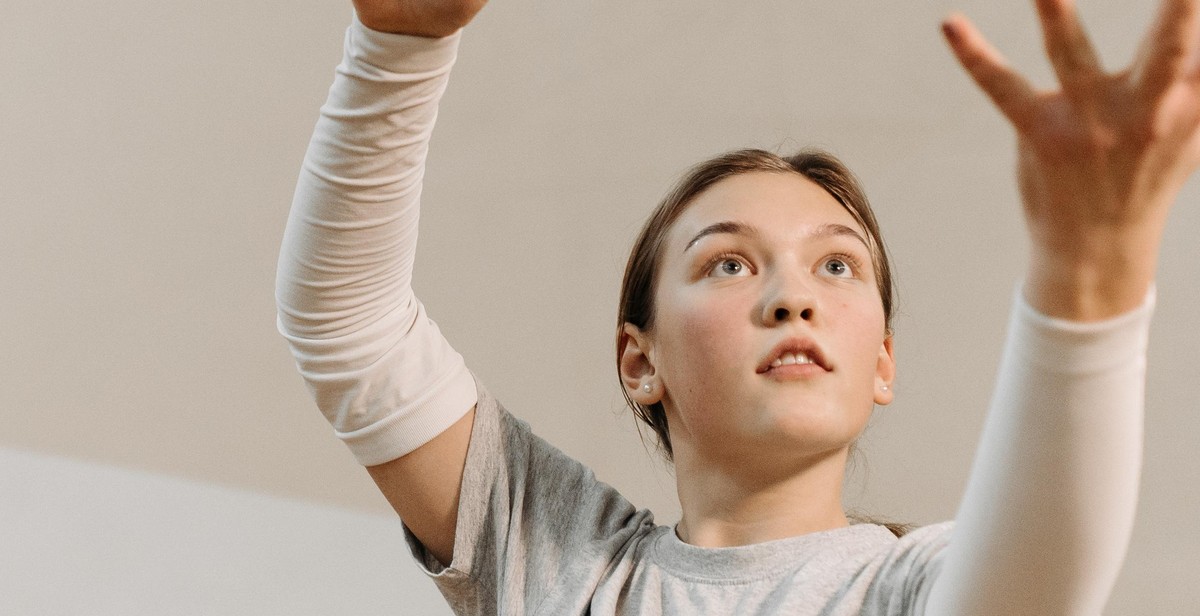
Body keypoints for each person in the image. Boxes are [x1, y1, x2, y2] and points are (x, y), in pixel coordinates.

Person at [275, 0, 1199, 613]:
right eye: (727, 265)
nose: (793, 295)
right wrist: (398, 46)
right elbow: (349, 326)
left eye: (838, 269)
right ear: (641, 361)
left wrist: (1093, 268)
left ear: (883, 361)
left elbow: (1038, 585)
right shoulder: (559, 564)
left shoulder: (908, 589)